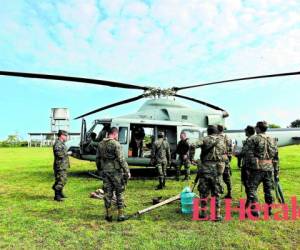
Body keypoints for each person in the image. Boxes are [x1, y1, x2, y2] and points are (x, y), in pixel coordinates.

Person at [191, 125, 227, 221]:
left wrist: (191, 158)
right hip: (218, 169)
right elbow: (226, 153)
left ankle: (203, 213)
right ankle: (217, 214)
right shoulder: (223, 140)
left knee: (203, 191)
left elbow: (192, 145)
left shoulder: (205, 139)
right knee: (217, 192)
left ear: (208, 132)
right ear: (216, 132)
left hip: (206, 169)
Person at [96, 127, 131, 222]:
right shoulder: (116, 144)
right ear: (115, 134)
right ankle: (121, 215)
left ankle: (109, 215)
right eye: (117, 134)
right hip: (116, 172)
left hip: (105, 171)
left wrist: (100, 169)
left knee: (107, 193)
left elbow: (98, 159)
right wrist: (127, 171)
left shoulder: (100, 144)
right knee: (119, 192)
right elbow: (121, 159)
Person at [247, 121, 278, 217]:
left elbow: (248, 154)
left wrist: (248, 167)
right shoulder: (272, 139)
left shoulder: (253, 138)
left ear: (258, 128)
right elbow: (276, 156)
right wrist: (276, 170)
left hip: (257, 168)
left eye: (256, 127)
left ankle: (255, 210)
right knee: (268, 189)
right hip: (269, 167)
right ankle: (269, 209)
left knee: (252, 188)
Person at [235, 125, 256, 207]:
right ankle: (249, 203)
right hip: (254, 165)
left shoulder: (249, 140)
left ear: (248, 131)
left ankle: (250, 204)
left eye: (245, 131)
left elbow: (243, 152)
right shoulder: (256, 138)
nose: (244, 132)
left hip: (247, 165)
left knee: (248, 185)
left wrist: (237, 154)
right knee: (251, 185)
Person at [52, 130, 70, 202]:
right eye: (65, 136)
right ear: (61, 135)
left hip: (62, 165)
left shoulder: (62, 143)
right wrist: (67, 153)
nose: (66, 137)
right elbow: (59, 154)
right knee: (62, 180)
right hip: (60, 165)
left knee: (60, 179)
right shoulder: (58, 144)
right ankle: (57, 196)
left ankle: (60, 193)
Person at [217, 125, 233, 198]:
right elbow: (230, 149)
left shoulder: (217, 137)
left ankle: (219, 192)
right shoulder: (228, 137)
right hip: (226, 158)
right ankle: (229, 192)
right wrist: (229, 159)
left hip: (218, 158)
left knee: (218, 175)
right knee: (227, 177)